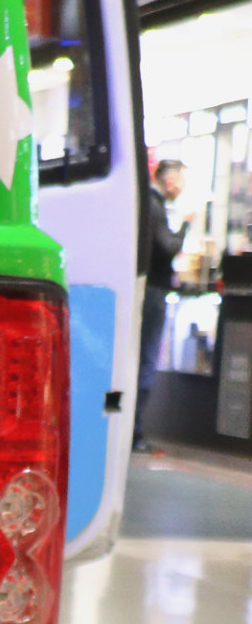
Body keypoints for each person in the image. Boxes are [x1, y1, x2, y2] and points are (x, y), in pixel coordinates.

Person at [137, 157, 186, 448]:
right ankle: (136, 431)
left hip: (149, 290)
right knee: (146, 357)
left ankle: (134, 429)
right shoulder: (155, 206)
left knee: (143, 356)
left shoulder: (147, 204)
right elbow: (168, 246)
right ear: (169, 180)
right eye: (180, 179)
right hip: (154, 293)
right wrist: (186, 228)